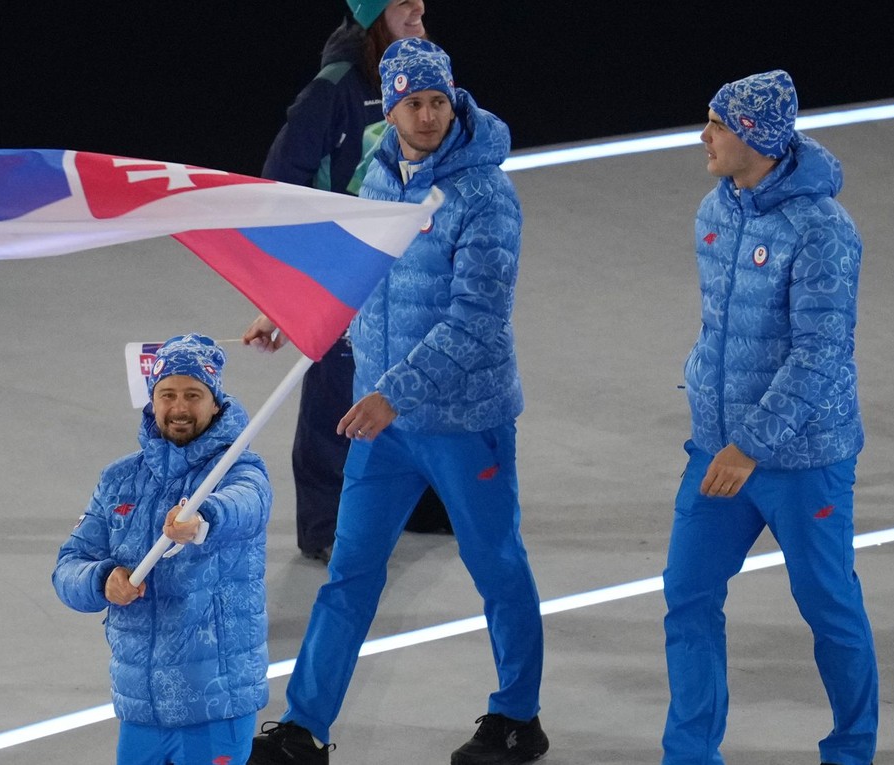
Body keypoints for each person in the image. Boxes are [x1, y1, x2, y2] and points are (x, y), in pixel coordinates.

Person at [248, 39, 548, 765]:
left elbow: (477, 319)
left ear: (454, 101)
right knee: (351, 570)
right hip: (385, 424)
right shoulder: (378, 176)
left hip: (463, 423)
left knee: (497, 566)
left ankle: (517, 718)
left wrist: (392, 393)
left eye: (437, 101)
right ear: (391, 104)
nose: (426, 116)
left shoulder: (485, 195)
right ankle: (303, 726)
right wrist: (293, 316)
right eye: (413, 102)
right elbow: (357, 275)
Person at [661, 70, 877, 765]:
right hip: (719, 450)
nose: (705, 136)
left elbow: (820, 356)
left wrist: (749, 443)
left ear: (754, 136)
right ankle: (690, 753)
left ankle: (851, 750)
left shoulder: (824, 232)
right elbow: (717, 326)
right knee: (688, 594)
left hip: (803, 458)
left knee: (827, 605)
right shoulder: (714, 211)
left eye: (717, 124)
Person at [244, 0, 451, 565]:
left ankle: (418, 502)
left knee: (411, 379)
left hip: (409, 261)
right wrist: (291, 290)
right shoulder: (333, 89)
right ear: (371, 15)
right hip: (345, 266)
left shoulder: (422, 73)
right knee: (335, 395)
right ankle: (325, 525)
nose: (419, 8)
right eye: (402, 1)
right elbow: (279, 188)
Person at [53, 334, 273, 765]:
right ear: (151, 401)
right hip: (141, 704)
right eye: (167, 394)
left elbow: (245, 505)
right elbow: (68, 568)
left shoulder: (240, 469)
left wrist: (202, 518)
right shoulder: (118, 479)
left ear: (215, 402)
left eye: (194, 395)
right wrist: (102, 580)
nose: (179, 408)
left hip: (215, 700)